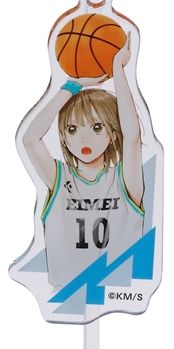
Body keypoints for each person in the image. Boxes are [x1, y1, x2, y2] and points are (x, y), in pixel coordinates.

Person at [22, 36, 144, 288]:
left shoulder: (124, 180)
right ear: (63, 139)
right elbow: (30, 139)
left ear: (113, 135)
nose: (84, 138)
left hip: (114, 293)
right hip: (67, 294)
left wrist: (117, 70)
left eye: (97, 127)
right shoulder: (59, 178)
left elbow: (132, 138)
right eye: (73, 129)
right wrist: (71, 86)